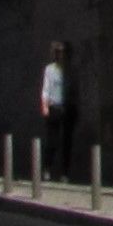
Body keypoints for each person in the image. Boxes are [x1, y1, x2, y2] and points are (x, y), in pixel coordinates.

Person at [40, 41, 76, 177]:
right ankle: (47, 168)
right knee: (52, 140)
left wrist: (75, 105)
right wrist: (44, 106)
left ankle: (65, 172)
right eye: (59, 52)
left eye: (64, 52)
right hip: (54, 106)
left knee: (67, 141)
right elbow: (46, 88)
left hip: (67, 107)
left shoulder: (71, 70)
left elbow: (74, 89)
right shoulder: (50, 69)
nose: (61, 55)